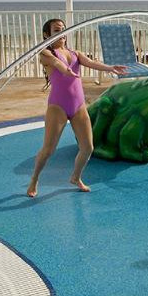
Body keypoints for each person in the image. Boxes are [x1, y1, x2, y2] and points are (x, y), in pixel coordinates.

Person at [27, 18, 128, 197]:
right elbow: (58, 64)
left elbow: (91, 63)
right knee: (49, 149)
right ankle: (34, 178)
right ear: (46, 35)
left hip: (78, 105)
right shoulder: (45, 53)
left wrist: (110, 68)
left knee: (88, 147)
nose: (62, 33)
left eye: (63, 30)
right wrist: (66, 70)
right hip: (58, 106)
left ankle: (75, 177)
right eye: (57, 30)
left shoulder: (75, 53)